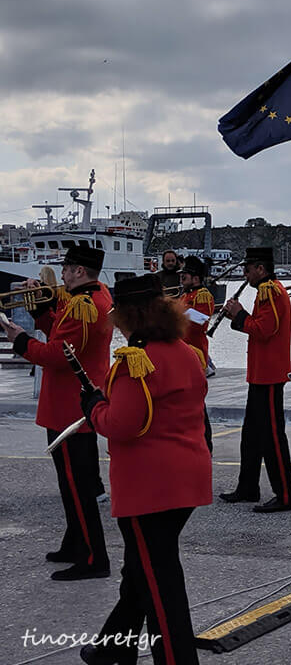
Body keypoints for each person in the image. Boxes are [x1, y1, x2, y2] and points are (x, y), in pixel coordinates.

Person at [77, 273, 212, 665]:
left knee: (159, 583)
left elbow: (121, 425)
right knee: (141, 569)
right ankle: (113, 648)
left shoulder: (135, 360)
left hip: (149, 487)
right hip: (187, 478)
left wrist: (94, 407)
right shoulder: (186, 351)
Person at [1, 246, 112, 581]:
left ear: (79, 271)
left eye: (66, 267)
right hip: (72, 402)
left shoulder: (83, 305)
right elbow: (59, 331)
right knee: (70, 484)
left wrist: (20, 340)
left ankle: (93, 557)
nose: (61, 273)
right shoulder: (92, 296)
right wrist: (40, 307)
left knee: (78, 487)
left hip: (69, 405)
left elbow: (57, 354)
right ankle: (75, 543)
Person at [219, 247, 291, 512]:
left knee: (272, 436)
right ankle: (248, 486)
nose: (245, 274)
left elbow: (264, 329)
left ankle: (285, 494)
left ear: (260, 269)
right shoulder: (266, 290)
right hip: (261, 373)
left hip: (269, 374)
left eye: (248, 269)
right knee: (251, 435)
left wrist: (239, 314)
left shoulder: (270, 291)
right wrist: (238, 316)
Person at [179, 255, 214, 452]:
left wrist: (174, 314)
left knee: (197, 405)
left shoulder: (202, 295)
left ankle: (205, 446)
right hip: (182, 354)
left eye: (185, 275)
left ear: (195, 278)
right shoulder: (185, 296)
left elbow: (200, 322)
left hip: (195, 354)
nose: (181, 278)